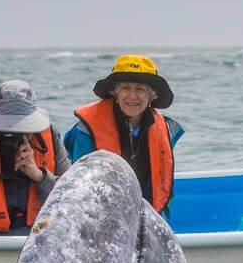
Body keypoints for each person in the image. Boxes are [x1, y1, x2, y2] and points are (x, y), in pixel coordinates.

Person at [64, 55, 183, 216]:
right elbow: (81, 187)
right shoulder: (85, 130)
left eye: (140, 89)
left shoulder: (167, 130)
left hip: (148, 216)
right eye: (126, 88)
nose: (133, 96)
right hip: (100, 217)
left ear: (151, 96)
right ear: (115, 93)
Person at [0, 80, 70, 235]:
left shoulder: (49, 135)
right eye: (3, 128)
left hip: (36, 234)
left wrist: (39, 176)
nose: (12, 136)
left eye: (22, 129)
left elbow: (70, 199)